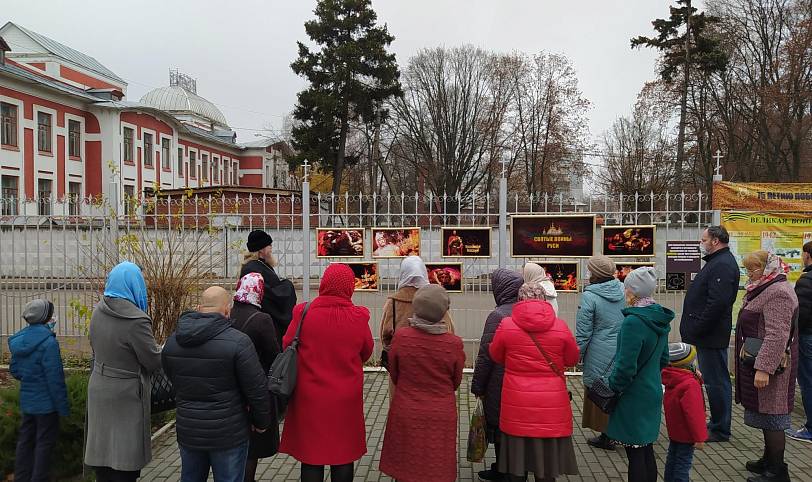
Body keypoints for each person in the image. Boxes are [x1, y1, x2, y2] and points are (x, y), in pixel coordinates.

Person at [162, 286, 272, 482]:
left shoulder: (173, 342)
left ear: (198, 307)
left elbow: (172, 377)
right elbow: (256, 388)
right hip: (229, 433)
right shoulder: (239, 342)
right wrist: (261, 422)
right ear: (227, 311)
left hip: (189, 430)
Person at [279, 264, 374, 482]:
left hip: (308, 395)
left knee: (312, 455)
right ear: (350, 287)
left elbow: (286, 345)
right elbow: (367, 352)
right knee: (343, 454)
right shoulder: (358, 317)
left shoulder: (303, 312)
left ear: (323, 283)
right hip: (345, 398)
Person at [84, 261, 162, 482]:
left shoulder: (99, 311)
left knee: (103, 454)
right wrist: (165, 350)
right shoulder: (136, 320)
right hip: (126, 394)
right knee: (124, 460)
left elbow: (94, 344)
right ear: (134, 284)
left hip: (99, 385)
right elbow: (153, 362)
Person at [379, 285, 465, 482]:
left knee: (406, 462)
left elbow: (395, 371)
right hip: (441, 412)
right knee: (436, 462)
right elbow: (456, 381)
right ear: (444, 310)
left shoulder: (402, 337)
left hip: (406, 409)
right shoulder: (454, 344)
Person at [489, 298, 580, 482]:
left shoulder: (506, 325)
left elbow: (495, 354)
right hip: (551, 404)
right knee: (546, 466)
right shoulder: (560, 326)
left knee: (516, 462)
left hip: (517, 402)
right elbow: (572, 359)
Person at [735, 251, 798, 482]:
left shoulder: (778, 293)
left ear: (768, 267)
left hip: (773, 366)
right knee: (766, 415)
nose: (750, 274)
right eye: (748, 269)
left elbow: (777, 335)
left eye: (754, 269)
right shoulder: (763, 288)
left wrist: (764, 368)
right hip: (761, 360)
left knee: (774, 417)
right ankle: (768, 460)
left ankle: (777, 471)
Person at [606, 267, 672, 482]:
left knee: (635, 452)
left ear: (632, 292)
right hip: (652, 390)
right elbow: (663, 359)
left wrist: (613, 387)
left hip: (633, 395)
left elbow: (625, 367)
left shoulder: (633, 322)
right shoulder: (659, 317)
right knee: (645, 449)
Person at [679, 225, 740, 443]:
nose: (701, 243)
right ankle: (717, 422)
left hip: (710, 335)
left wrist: (697, 329)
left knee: (717, 381)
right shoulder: (717, 262)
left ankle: (720, 428)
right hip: (708, 334)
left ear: (715, 241)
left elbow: (717, 303)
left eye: (703, 240)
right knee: (714, 380)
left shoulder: (722, 265)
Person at [470, 268, 525, 481]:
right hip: (524, 382)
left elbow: (486, 355)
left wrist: (478, 386)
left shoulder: (498, 315)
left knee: (501, 426)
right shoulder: (530, 309)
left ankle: (505, 470)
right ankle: (511, 468)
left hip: (500, 381)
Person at [9, 299, 69, 482]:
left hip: (28, 403)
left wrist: (30, 378)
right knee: (44, 444)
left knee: (25, 442)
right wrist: (63, 407)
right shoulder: (49, 343)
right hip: (47, 406)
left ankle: (21, 477)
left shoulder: (19, 340)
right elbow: (55, 379)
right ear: (46, 317)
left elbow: (15, 370)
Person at [230, 273, 281, 482]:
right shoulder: (262, 319)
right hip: (254, 390)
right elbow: (274, 356)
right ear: (259, 291)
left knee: (234, 445)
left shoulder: (228, 313)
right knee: (251, 448)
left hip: (229, 389)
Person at [380, 256, 455, 394]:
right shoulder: (435, 299)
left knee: (401, 405)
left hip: (403, 368)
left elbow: (385, 335)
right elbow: (449, 330)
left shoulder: (394, 302)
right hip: (433, 367)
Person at [575, 255, 624, 451]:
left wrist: (578, 355)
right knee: (618, 388)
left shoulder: (590, 296)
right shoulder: (622, 288)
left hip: (598, 349)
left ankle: (606, 435)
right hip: (620, 346)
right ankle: (618, 431)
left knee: (600, 390)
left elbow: (584, 331)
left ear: (594, 273)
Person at [240, 229, 296, 343]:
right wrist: (287, 285)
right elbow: (267, 295)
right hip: (265, 321)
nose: (271, 248)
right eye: (269, 245)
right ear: (261, 249)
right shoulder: (252, 268)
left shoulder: (260, 264)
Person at [662, 343, 707, 482]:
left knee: (673, 458)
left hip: (675, 429)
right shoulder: (689, 384)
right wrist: (699, 437)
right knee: (683, 464)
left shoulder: (672, 376)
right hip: (687, 432)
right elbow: (694, 414)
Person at [787, 240, 812, 443]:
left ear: (807, 256)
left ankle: (810, 427)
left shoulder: (806, 280)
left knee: (808, 381)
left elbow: (800, 315)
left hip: (808, 337)